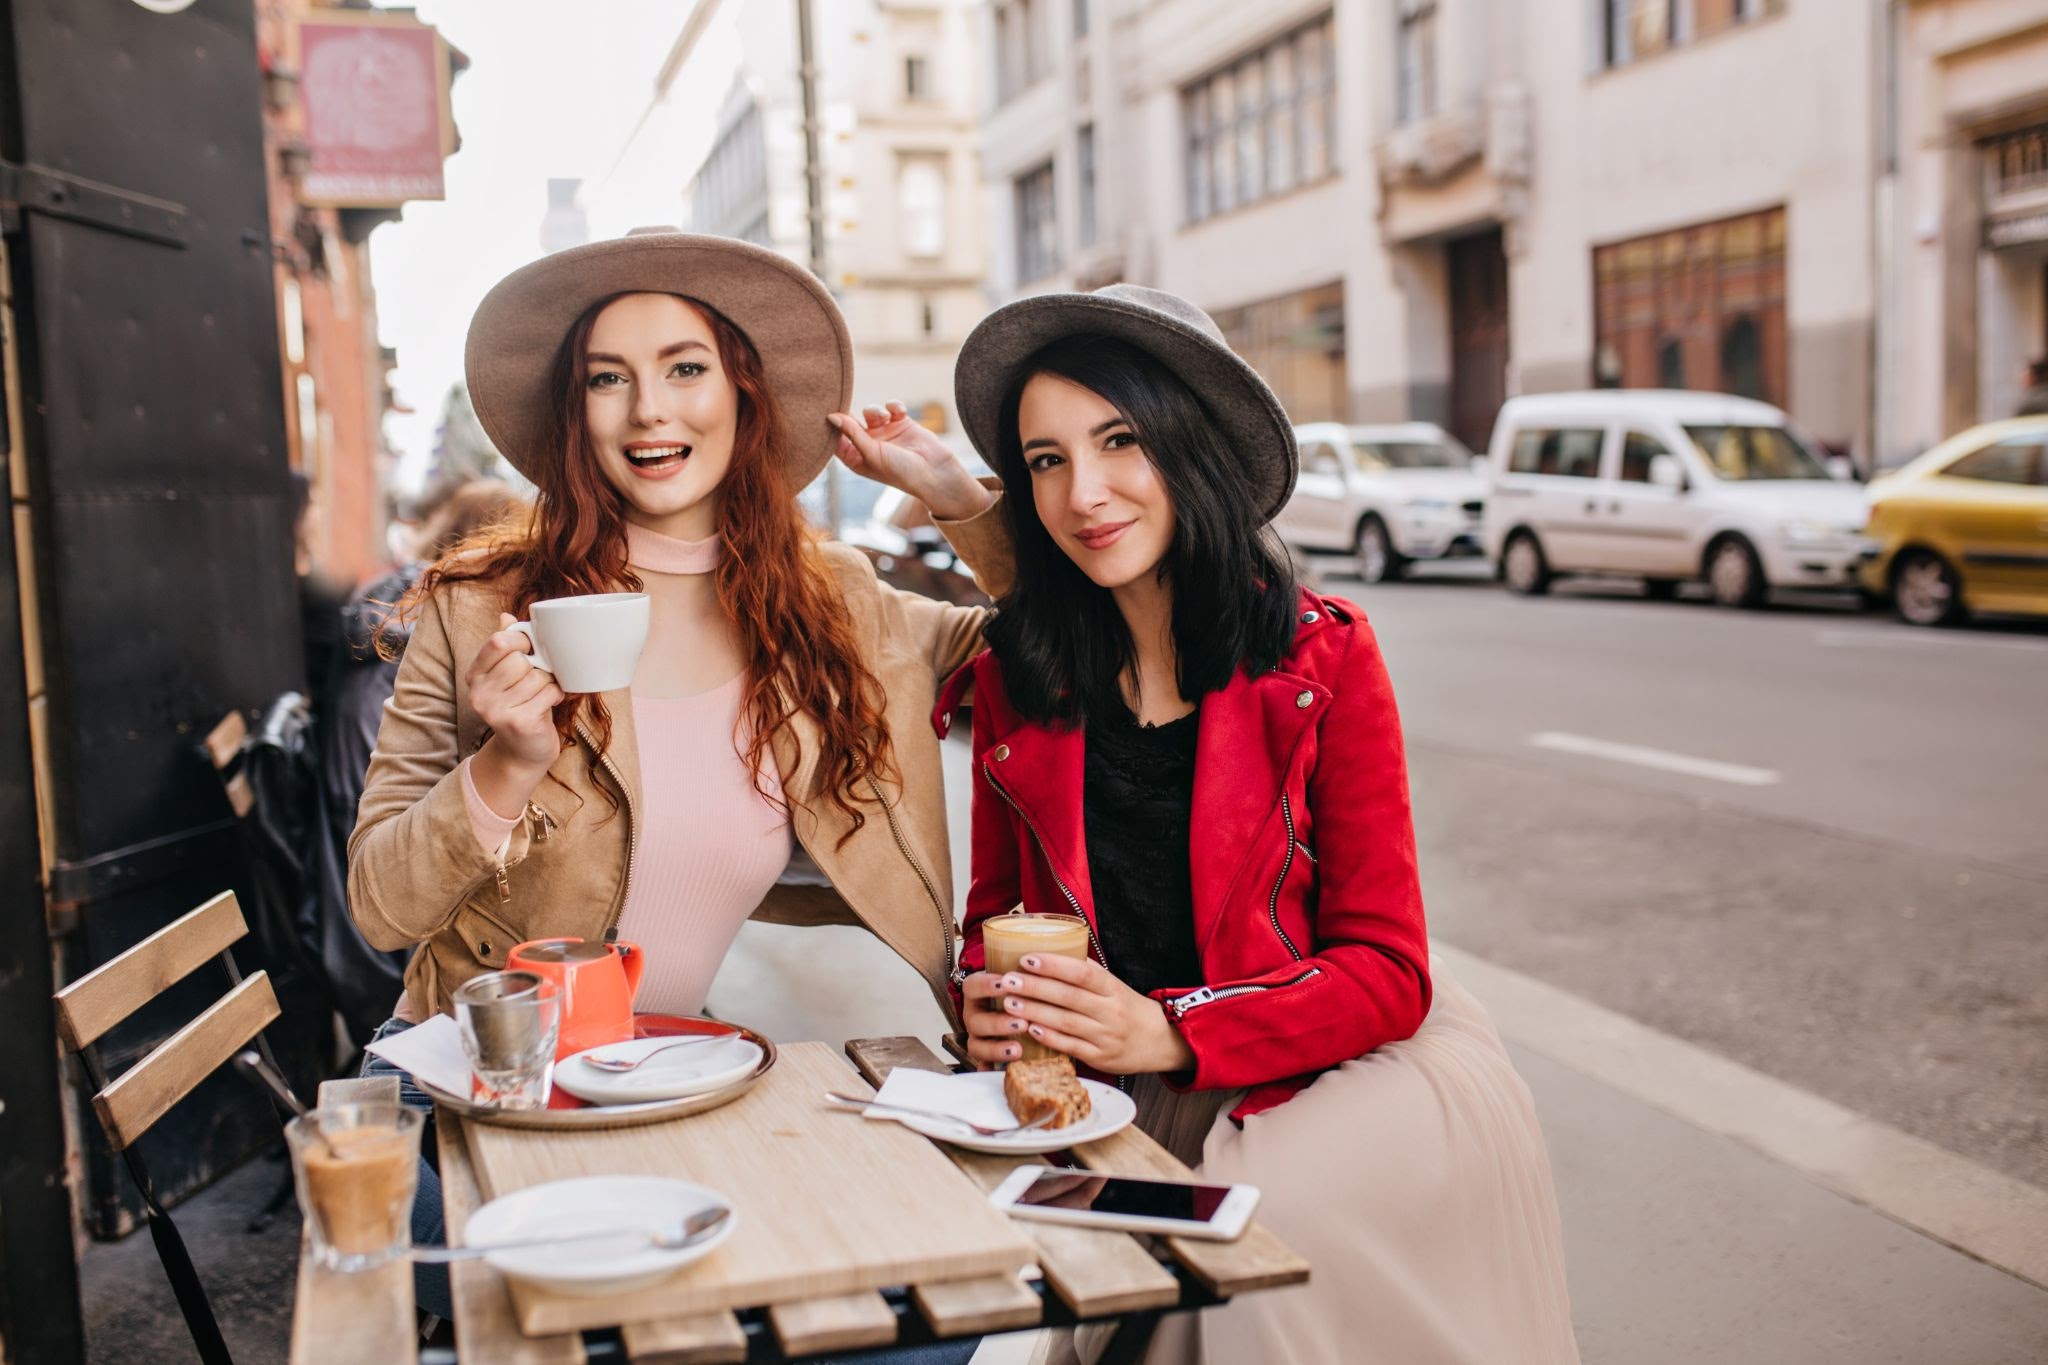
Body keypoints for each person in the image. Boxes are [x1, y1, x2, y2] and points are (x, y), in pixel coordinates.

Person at [347, 231, 1002, 1349]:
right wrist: (501, 766)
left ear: (745, 396)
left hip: (671, 1082)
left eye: (685, 368)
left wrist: (957, 497)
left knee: (930, 1315)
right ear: (576, 413)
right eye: (609, 378)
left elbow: (1077, 646)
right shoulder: (478, 607)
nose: (648, 410)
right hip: (482, 1103)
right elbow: (376, 909)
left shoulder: (834, 601)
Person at [942, 285, 1579, 1363]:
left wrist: (1174, 1029)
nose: (1082, 492)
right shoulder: (1019, 670)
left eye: (1119, 441)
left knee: (1233, 1245)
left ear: (1189, 450)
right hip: (1115, 1079)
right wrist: (990, 999)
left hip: (1330, 1064)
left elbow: (1385, 968)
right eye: (1045, 460)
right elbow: (992, 914)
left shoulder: (1324, 656)